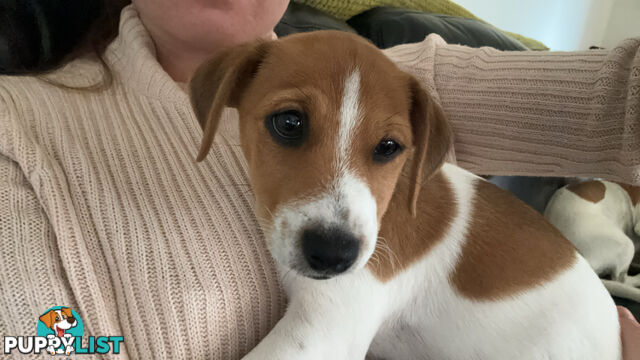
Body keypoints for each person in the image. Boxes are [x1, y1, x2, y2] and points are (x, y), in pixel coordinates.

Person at [0, 0, 638, 358]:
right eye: (286, 125)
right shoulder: (19, 125)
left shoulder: (396, 82)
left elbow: (619, 101)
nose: (336, 195)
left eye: (386, 149)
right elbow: (33, 342)